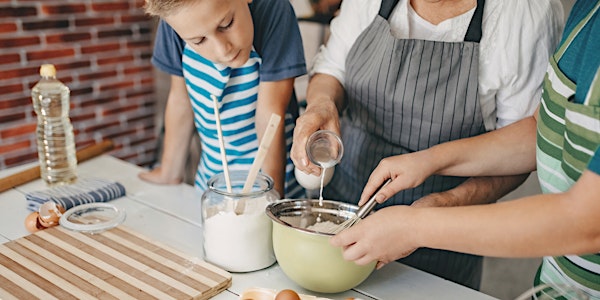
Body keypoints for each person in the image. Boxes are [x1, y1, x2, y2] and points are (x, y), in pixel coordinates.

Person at [332, 1, 600, 298]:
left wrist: (414, 226)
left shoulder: (526, 13)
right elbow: (536, 132)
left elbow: (590, 222)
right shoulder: (587, 12)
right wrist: (430, 160)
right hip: (560, 286)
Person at [141, 0, 306, 198]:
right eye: (199, 41)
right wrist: (169, 171)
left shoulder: (272, 10)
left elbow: (270, 114)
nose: (223, 49)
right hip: (210, 181)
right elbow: (180, 99)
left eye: (226, 24)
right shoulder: (173, 21)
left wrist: (271, 199)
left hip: (273, 177)